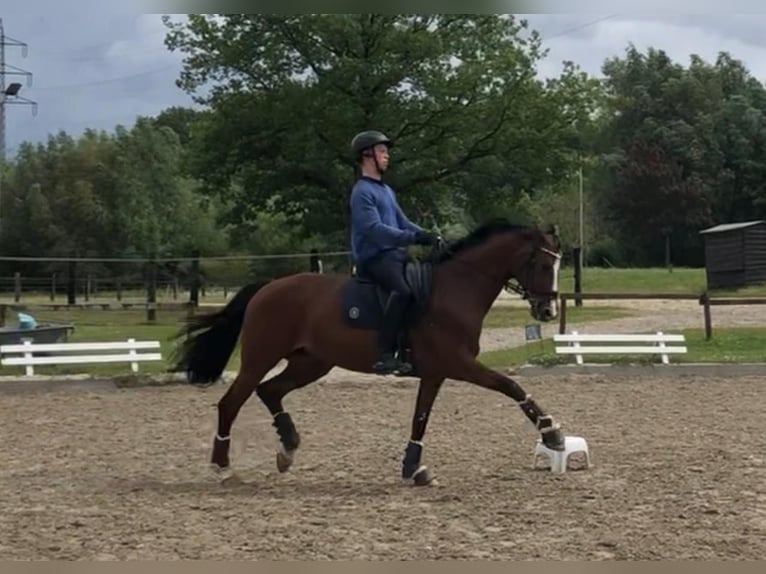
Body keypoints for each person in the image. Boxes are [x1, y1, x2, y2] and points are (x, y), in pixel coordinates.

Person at [348, 129, 440, 375]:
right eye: (382, 151)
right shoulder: (361, 192)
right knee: (403, 290)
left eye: (386, 151)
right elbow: (374, 230)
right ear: (367, 156)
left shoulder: (386, 191)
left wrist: (428, 236)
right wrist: (413, 238)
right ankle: (384, 354)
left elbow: (403, 222)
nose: (387, 156)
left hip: (395, 255)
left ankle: (412, 348)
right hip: (374, 257)